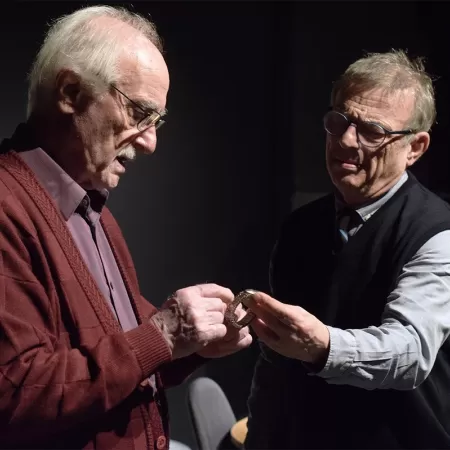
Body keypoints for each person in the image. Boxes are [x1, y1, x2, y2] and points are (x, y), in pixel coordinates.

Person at [0, 5, 252, 450]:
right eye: (139, 113)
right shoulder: (7, 207)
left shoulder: (91, 209)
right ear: (70, 91)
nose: (150, 142)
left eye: (157, 121)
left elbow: (120, 357)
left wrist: (190, 346)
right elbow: (17, 394)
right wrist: (165, 334)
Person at [245, 49, 450, 449]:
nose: (345, 140)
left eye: (372, 131)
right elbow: (274, 366)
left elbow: (409, 351)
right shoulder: (300, 227)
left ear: (415, 147)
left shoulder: (436, 234)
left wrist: (323, 347)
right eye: (339, 122)